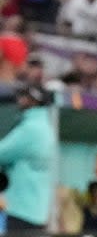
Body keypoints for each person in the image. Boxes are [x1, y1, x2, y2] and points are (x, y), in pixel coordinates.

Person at [0, 84, 55, 233]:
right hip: (37, 211)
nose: (19, 100)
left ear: (33, 101)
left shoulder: (31, 128)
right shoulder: (45, 127)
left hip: (21, 210)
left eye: (24, 96)